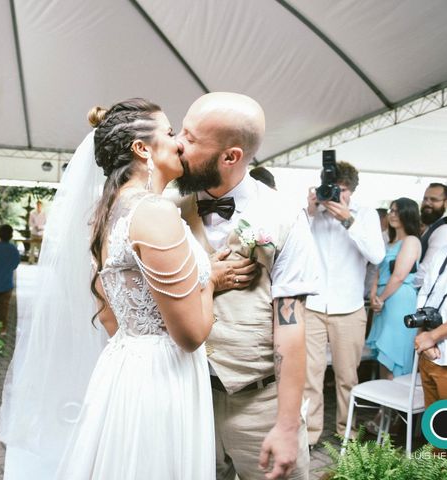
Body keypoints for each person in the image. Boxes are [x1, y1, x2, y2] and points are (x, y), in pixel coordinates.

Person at [1, 98, 218, 480]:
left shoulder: (106, 213)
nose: (179, 142)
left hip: (125, 366)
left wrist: (139, 341)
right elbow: (191, 335)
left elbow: (108, 314)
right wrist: (212, 280)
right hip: (163, 374)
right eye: (170, 133)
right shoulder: (153, 212)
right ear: (141, 148)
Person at [175, 92, 319, 480]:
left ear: (230, 157)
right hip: (187, 398)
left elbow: (291, 326)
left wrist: (287, 425)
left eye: (190, 139)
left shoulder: (286, 216)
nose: (177, 145)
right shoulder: (168, 211)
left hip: (260, 404)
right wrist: (204, 278)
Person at [303, 160, 385, 447]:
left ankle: (346, 432)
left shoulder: (366, 215)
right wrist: (311, 211)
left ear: (352, 191)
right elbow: (295, 249)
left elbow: (376, 255)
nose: (337, 195)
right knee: (309, 376)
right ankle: (310, 437)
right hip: (312, 306)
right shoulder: (312, 215)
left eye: (343, 190)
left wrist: (348, 220)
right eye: (332, 188)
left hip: (349, 307)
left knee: (346, 376)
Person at [366, 198, 421, 378]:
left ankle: (395, 401)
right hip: (382, 300)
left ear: (408, 214)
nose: (392, 214)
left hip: (398, 299)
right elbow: (376, 269)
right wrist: (374, 295)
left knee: (393, 350)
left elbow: (399, 275)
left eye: (397, 211)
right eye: (391, 210)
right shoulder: (387, 242)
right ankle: (384, 403)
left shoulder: (411, 241)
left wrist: (381, 299)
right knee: (382, 353)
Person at [415, 195, 447, 407]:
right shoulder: (444, 251)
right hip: (431, 355)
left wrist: (432, 336)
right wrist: (423, 335)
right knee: (435, 430)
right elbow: (425, 293)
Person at [415, 183, 447, 288]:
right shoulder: (432, 227)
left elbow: (426, 272)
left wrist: (402, 284)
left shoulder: (445, 230)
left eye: (433, 200)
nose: (427, 203)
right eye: (425, 199)